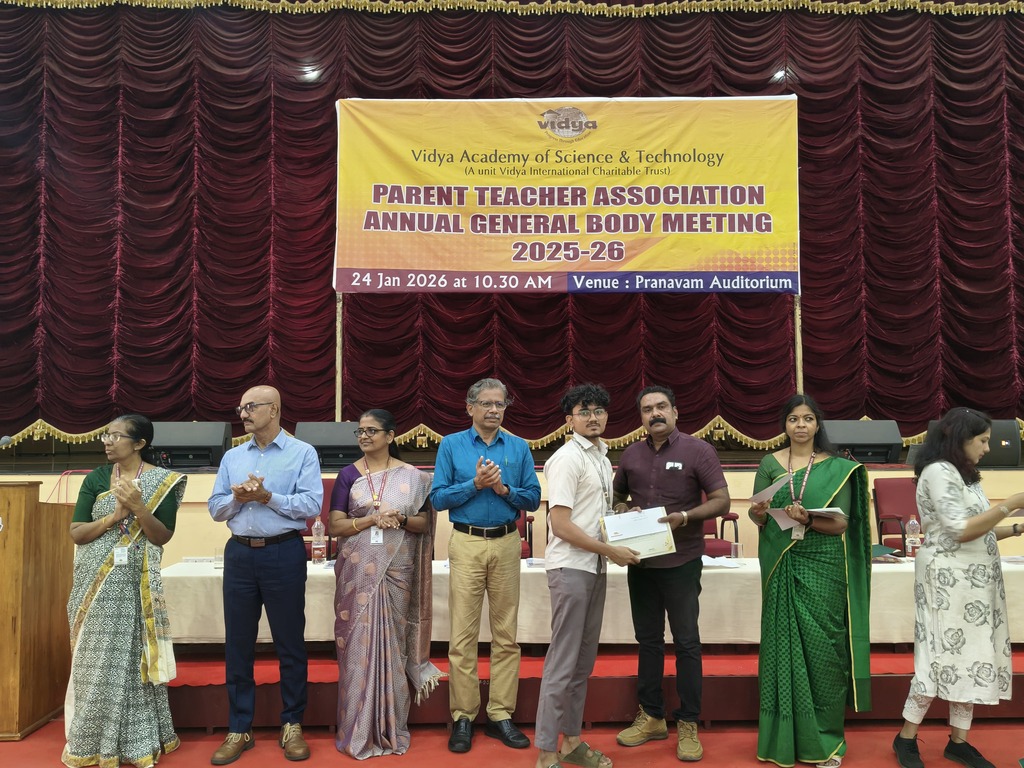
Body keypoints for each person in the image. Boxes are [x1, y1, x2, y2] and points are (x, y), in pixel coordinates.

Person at [891, 408, 1024, 768]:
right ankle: (906, 737)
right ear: (961, 438)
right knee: (937, 655)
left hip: (976, 583)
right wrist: (1012, 504)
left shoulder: (967, 476)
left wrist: (1015, 527)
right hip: (946, 580)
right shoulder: (938, 471)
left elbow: (978, 528)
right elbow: (959, 530)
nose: (987, 448)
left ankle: (959, 741)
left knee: (972, 656)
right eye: (983, 440)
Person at [748, 394, 871, 768]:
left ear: (818, 424)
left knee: (825, 652)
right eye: (793, 419)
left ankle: (827, 742)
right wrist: (758, 513)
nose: (800, 425)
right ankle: (782, 739)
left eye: (807, 419)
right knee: (780, 648)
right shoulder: (770, 464)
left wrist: (808, 519)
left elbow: (841, 523)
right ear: (784, 425)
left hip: (824, 565)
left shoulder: (838, 468)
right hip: (782, 561)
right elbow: (759, 516)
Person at [611, 385, 730, 763]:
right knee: (647, 641)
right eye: (647, 409)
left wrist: (686, 517)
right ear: (641, 417)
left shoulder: (698, 450)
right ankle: (652, 716)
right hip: (642, 564)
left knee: (687, 643)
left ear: (675, 412)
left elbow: (722, 501)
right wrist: (623, 509)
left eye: (661, 407)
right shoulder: (630, 454)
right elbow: (617, 498)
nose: (655, 414)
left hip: (682, 562)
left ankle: (689, 722)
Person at [63, 414, 187, 768]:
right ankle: (90, 739)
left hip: (137, 585)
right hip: (94, 584)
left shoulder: (163, 481)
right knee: (93, 660)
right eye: (106, 434)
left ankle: (137, 740)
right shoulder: (96, 478)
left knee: (133, 660)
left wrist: (139, 508)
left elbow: (162, 536)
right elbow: (77, 533)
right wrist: (114, 517)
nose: (107, 441)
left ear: (139, 443)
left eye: (116, 436)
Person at [208, 385, 323, 764]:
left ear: (273, 410)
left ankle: (292, 724)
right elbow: (215, 508)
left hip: (283, 552)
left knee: (290, 643)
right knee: (238, 644)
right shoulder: (232, 456)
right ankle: (239, 727)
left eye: (251, 407)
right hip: (239, 553)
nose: (243, 414)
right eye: (240, 408)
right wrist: (238, 498)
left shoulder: (302, 453)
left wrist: (266, 497)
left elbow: (311, 504)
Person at [430, 377, 541, 753]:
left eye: (500, 404)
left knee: (506, 635)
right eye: (487, 403)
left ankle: (500, 714)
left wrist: (503, 489)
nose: (494, 410)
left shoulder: (519, 447)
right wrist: (475, 484)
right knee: (462, 635)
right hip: (466, 542)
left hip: (508, 542)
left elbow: (533, 498)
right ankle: (463, 715)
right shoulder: (451, 445)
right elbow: (438, 499)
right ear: (470, 407)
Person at [534, 384, 641, 768]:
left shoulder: (600, 456)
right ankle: (546, 752)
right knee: (563, 663)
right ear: (570, 420)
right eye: (584, 411)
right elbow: (560, 525)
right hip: (571, 567)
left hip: (593, 566)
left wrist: (624, 519)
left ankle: (572, 742)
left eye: (598, 410)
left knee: (582, 663)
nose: (593, 417)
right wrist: (610, 551)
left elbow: (592, 518)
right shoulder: (567, 459)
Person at [327, 409, 442, 759]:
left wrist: (401, 518)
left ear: (390, 436)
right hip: (358, 573)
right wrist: (371, 520)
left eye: (371, 431)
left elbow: (423, 523)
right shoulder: (348, 475)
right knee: (359, 647)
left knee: (393, 645)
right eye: (360, 431)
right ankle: (358, 729)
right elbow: (335, 525)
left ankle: (391, 728)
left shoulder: (414, 477)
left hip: (398, 570)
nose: (364, 436)